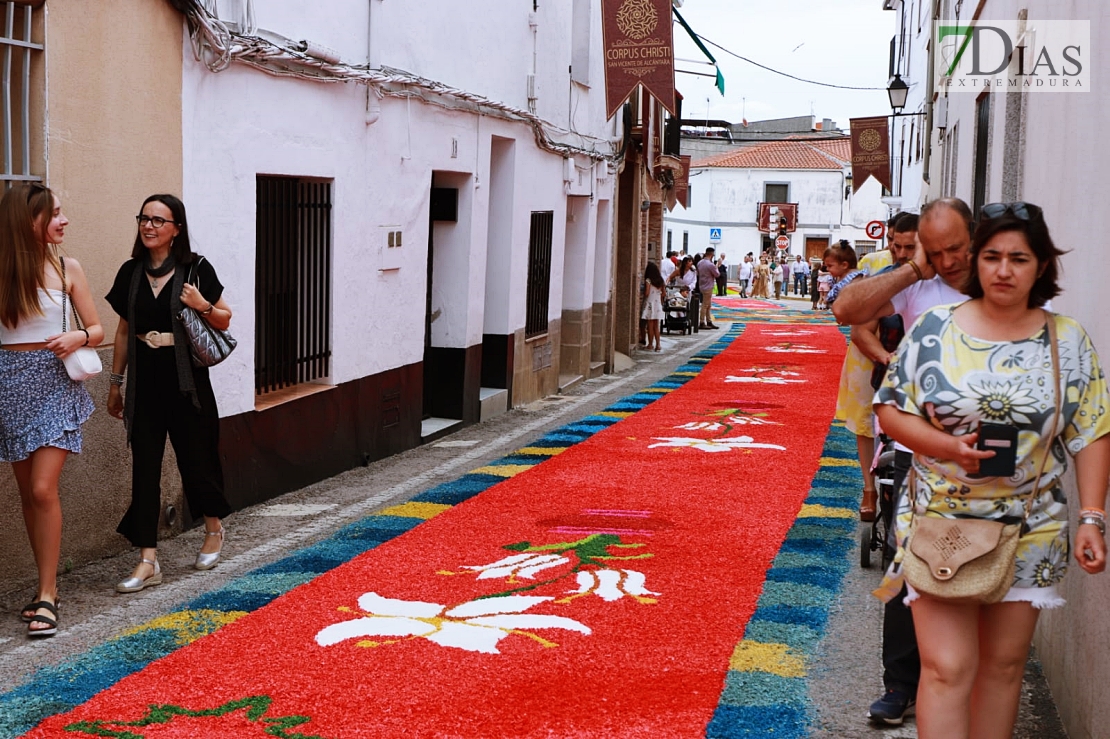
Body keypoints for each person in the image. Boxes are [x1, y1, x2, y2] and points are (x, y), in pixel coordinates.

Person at [874, 201, 1110, 739]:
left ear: (1042, 266)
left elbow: (1092, 427)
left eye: (1020, 258)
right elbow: (890, 407)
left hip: (1031, 525)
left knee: (1003, 670)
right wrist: (948, 447)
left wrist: (1093, 516)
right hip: (941, 524)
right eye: (993, 257)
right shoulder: (934, 329)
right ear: (976, 262)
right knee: (947, 667)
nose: (1004, 270)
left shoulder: (1066, 339)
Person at [833, 199, 976, 726]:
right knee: (906, 560)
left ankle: (960, 674)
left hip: (985, 452)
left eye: (955, 248)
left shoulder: (991, 282)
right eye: (936, 251)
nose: (949, 260)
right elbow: (848, 312)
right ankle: (901, 684)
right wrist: (914, 267)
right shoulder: (916, 282)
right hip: (917, 446)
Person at [106, 194, 234, 594]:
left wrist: (201, 304)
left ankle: (214, 529)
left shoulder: (196, 268)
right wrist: (115, 382)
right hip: (146, 384)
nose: (149, 226)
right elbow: (125, 331)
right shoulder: (130, 272)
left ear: (176, 228)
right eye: (144, 218)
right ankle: (148, 560)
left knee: (196, 459)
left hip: (187, 385)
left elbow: (225, 318)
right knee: (144, 470)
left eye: (158, 220)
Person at [0, 183, 103, 638]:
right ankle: (47, 590)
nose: (63, 220)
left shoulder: (67, 267)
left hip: (54, 382)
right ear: (29, 221)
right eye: (54, 213)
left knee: (43, 489)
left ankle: (46, 593)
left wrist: (78, 337)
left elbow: (97, 327)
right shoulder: (3, 268)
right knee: (27, 494)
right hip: (9, 382)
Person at [640, 261, 665, 351]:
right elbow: (663, 293)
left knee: (650, 325)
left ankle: (650, 344)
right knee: (656, 326)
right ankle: (658, 344)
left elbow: (647, 293)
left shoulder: (648, 280)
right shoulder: (660, 280)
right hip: (658, 304)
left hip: (650, 303)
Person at [696, 247, 719, 329]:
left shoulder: (700, 263)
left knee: (708, 305)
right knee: (705, 305)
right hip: (708, 286)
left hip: (701, 284)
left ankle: (709, 321)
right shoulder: (710, 264)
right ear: (712, 254)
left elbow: (698, 273)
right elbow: (717, 274)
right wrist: (717, 267)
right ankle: (701, 322)